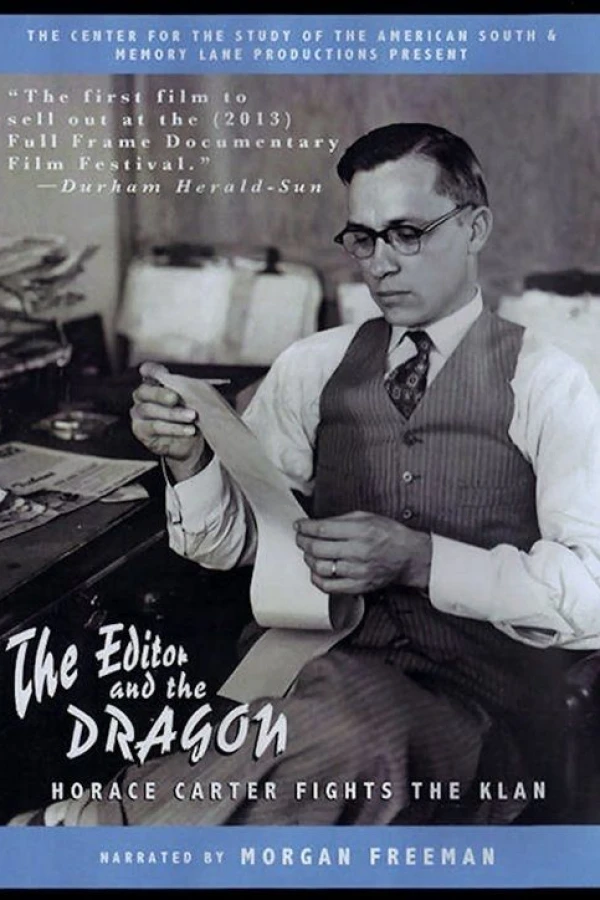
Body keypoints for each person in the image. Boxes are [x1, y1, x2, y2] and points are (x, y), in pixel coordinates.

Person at [11, 122, 600, 827]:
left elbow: (592, 591)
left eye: (407, 233)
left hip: (471, 709)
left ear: (475, 228)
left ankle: (85, 828)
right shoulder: (311, 367)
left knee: (343, 728)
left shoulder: (550, 382)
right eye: (363, 238)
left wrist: (423, 559)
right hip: (304, 675)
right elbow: (236, 544)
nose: (380, 264)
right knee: (309, 736)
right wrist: (188, 459)